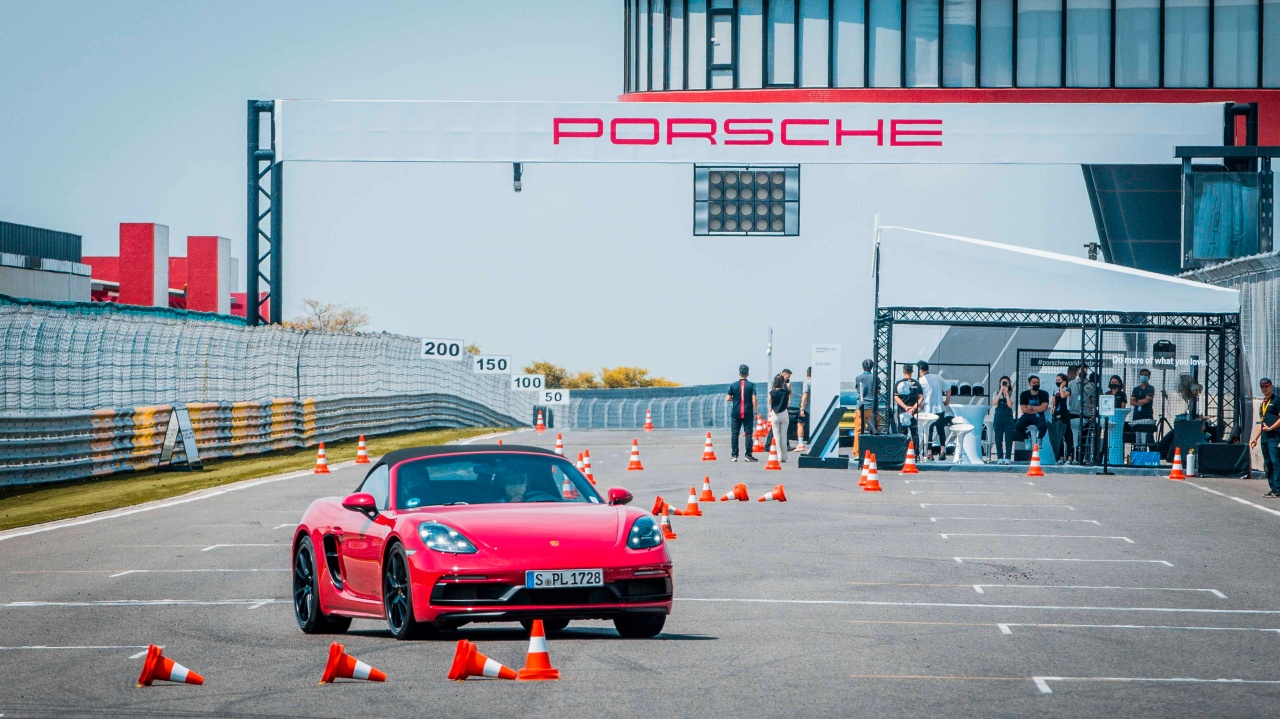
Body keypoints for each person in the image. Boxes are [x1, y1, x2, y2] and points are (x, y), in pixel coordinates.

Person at [1249, 378, 1280, 498]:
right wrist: (1255, 438)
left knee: (1276, 462)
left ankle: (1278, 488)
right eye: (1262, 387)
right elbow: (1261, 424)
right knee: (1268, 463)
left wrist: (1271, 428)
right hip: (1265, 438)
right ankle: (1273, 488)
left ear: (1271, 386)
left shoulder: (1277, 401)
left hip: (1275, 437)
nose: (1264, 389)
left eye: (1266, 386)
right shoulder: (1263, 403)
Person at [917, 361, 952, 460]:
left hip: (927, 409)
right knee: (941, 431)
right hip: (939, 408)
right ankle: (942, 451)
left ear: (920, 371)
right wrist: (947, 400)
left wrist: (919, 404)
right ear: (928, 369)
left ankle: (929, 453)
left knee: (928, 431)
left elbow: (919, 395)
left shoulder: (920, 381)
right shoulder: (938, 377)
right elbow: (948, 388)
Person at [726, 364, 759, 462]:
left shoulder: (733, 385)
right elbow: (754, 399)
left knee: (734, 434)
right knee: (748, 434)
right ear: (748, 374)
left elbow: (728, 398)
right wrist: (755, 413)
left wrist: (735, 399)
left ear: (739, 373)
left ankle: (734, 455)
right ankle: (748, 455)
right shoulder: (752, 385)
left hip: (736, 413)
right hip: (747, 412)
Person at [1014, 375, 1050, 445]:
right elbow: (1024, 409)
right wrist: (1038, 409)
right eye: (1034, 383)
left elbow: (1044, 408)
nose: (1036, 384)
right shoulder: (1024, 394)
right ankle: (1026, 438)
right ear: (1030, 384)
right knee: (1018, 425)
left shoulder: (1044, 394)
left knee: (1043, 426)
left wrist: (1030, 407)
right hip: (1027, 415)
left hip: (1039, 416)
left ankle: (1039, 439)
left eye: (1038, 382)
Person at [894, 364, 922, 451]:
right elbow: (921, 397)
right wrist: (913, 408)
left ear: (903, 371)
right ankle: (916, 452)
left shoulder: (898, 383)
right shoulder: (916, 383)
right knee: (914, 432)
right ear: (912, 372)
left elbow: (896, 397)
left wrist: (905, 407)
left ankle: (902, 452)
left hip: (902, 411)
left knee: (902, 433)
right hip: (913, 412)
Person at [990, 376, 1015, 464]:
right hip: (998, 417)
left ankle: (1008, 457)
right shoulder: (996, 393)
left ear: (1009, 384)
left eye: (1006, 383)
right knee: (998, 438)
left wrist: (1007, 394)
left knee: (1008, 438)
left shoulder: (1011, 393)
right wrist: (1001, 391)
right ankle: (1000, 457)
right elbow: (994, 403)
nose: (1004, 384)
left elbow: (1010, 405)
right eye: (1003, 383)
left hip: (1008, 418)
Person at [853, 360, 875, 457]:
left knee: (858, 430)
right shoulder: (875, 378)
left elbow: (858, 390)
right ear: (872, 367)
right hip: (872, 407)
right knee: (873, 430)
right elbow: (877, 391)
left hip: (860, 407)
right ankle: (873, 452)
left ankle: (857, 453)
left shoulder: (858, 378)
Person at [1129, 369, 1156, 449]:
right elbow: (1131, 401)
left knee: (1147, 438)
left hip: (1147, 416)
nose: (1143, 376)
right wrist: (1140, 402)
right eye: (1142, 375)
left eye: (1145, 375)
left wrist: (1137, 401)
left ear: (1149, 377)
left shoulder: (1151, 388)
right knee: (1137, 440)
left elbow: (1147, 400)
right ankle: (1137, 453)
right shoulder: (1136, 389)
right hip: (1137, 417)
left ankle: (1150, 453)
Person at [1049, 373, 1072, 463]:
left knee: (1067, 434)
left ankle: (1069, 456)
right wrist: (1052, 407)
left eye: (1059, 380)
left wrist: (1062, 387)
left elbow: (1063, 396)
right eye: (1056, 380)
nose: (1057, 382)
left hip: (1065, 413)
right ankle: (1060, 457)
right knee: (1059, 435)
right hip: (1057, 413)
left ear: (1064, 381)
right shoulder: (1055, 390)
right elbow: (1053, 400)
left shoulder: (1067, 390)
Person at [769, 374, 791, 462]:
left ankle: (779, 456)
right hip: (784, 413)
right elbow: (788, 404)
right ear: (783, 382)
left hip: (775, 414)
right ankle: (784, 456)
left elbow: (770, 402)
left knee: (776, 436)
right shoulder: (786, 392)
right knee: (783, 436)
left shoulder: (772, 392)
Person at [797, 367, 811, 445]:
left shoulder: (807, 383)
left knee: (800, 424)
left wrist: (802, 408)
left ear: (807, 375)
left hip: (807, 408)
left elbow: (805, 395)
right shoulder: (820, 383)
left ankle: (800, 443)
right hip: (818, 408)